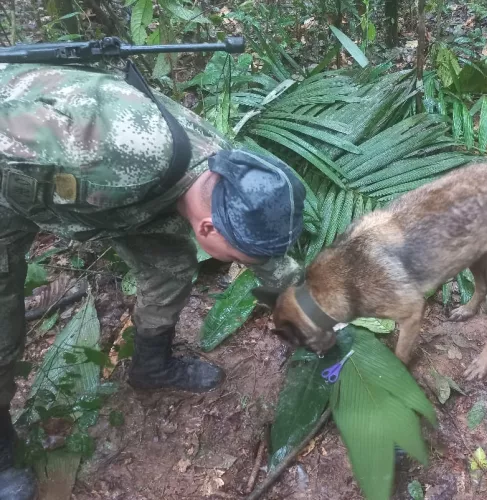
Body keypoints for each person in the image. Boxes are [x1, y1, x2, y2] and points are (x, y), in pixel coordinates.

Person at [0, 62, 306, 499]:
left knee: (170, 267)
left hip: (113, 197)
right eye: (237, 258)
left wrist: (312, 310)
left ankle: (151, 366)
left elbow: (266, 257)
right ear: (208, 230)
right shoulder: (113, 151)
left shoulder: (227, 173)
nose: (242, 264)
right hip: (12, 173)